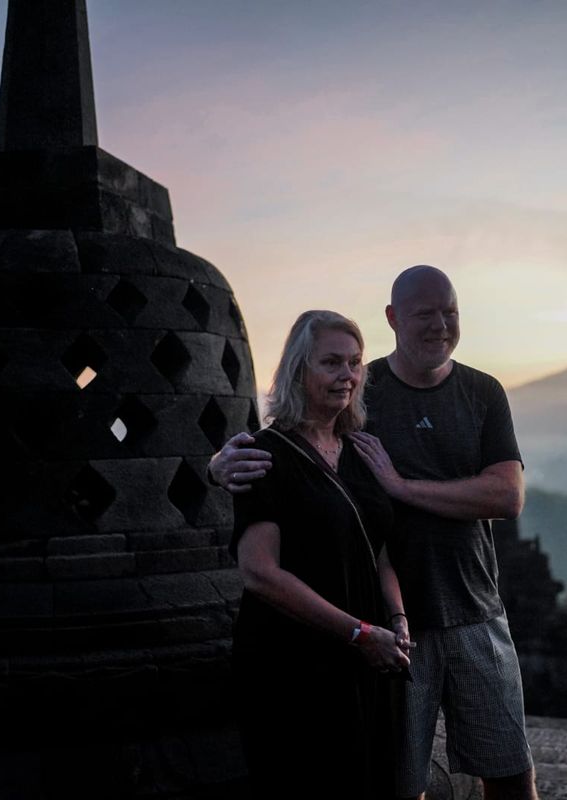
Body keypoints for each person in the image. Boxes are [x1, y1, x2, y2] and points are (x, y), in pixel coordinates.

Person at [213, 267, 537, 800]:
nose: (439, 325)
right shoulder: (364, 396)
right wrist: (216, 463)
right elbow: (288, 450)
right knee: (398, 780)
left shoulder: (480, 391)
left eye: (449, 311)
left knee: (509, 770)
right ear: (393, 319)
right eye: (423, 314)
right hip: (387, 625)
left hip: (471, 607)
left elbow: (507, 497)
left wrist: (402, 487)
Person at [229, 309, 412, 799]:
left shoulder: (362, 451)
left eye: (354, 363)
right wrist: (357, 632)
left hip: (368, 657)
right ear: (298, 370)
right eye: (331, 362)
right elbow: (259, 572)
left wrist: (395, 619)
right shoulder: (263, 454)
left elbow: (380, 552)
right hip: (295, 664)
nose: (347, 375)